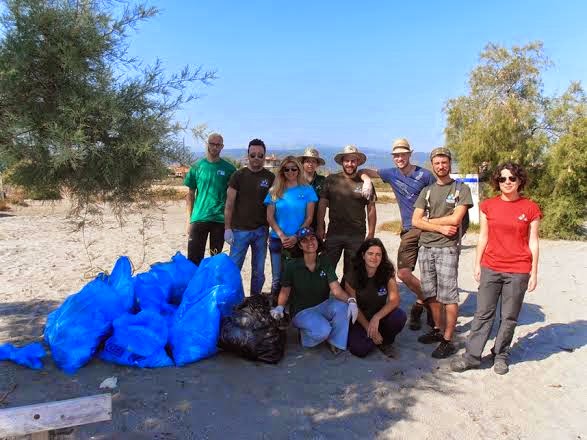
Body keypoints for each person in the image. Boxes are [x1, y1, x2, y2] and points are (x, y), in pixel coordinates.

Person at [451, 162, 541, 375]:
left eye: (512, 178)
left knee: (509, 316)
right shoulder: (488, 205)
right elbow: (483, 236)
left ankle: (500, 354)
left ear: (520, 181)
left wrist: (534, 272)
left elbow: (534, 242)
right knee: (483, 313)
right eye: (502, 179)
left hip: (519, 269)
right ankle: (472, 356)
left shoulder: (531, 208)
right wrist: (477, 263)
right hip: (491, 266)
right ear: (497, 182)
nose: (507, 182)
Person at [358, 138, 436, 331]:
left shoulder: (425, 175)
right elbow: (363, 171)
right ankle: (429, 303)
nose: (399, 158)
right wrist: (367, 181)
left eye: (403, 154)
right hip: (409, 230)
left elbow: (439, 196)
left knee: (431, 276)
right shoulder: (391, 174)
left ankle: (421, 308)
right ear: (393, 158)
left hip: (429, 229)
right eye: (396, 155)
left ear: (410, 154)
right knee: (403, 273)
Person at [412, 147, 473, 359]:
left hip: (447, 248)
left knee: (449, 295)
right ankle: (437, 329)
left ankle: (448, 339)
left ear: (450, 163)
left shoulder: (460, 189)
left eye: (444, 162)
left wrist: (427, 222)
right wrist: (438, 226)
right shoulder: (426, 191)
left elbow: (456, 219)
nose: (441, 166)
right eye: (437, 163)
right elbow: (415, 221)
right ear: (432, 165)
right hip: (426, 246)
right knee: (431, 293)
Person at [269, 227, 359, 355]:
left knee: (344, 307)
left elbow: (336, 289)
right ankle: (305, 336)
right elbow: (285, 290)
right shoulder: (292, 265)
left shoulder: (325, 261)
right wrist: (280, 307)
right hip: (302, 311)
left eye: (312, 238)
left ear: (317, 241)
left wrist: (351, 300)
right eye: (304, 240)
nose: (310, 242)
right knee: (323, 331)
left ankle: (335, 342)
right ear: (299, 245)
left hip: (323, 305)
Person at [224, 139, 275, 296]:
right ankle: (230, 299)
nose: (256, 158)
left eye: (260, 155)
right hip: (239, 231)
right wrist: (227, 228)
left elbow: (274, 205)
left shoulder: (271, 177)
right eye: (253, 155)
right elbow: (229, 204)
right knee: (233, 269)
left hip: (261, 231)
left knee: (259, 272)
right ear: (248, 155)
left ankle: (254, 300)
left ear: (264, 156)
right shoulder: (238, 176)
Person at [317, 144, 376, 277]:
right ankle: (322, 296)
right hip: (334, 233)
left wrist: (371, 233)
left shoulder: (365, 184)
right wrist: (320, 227)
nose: (350, 164)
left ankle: (348, 297)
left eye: (353, 161)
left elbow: (371, 208)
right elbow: (322, 204)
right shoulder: (331, 180)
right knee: (326, 268)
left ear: (358, 162)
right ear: (342, 162)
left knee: (352, 272)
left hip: (357, 235)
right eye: (347, 161)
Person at [344, 238, 407, 358]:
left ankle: (385, 341)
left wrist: (377, 317)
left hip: (379, 316)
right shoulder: (352, 274)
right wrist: (369, 327)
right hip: (359, 318)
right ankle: (374, 337)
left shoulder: (387, 271)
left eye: (378, 254)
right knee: (360, 349)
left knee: (399, 317)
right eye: (370, 253)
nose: (374, 258)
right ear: (363, 255)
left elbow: (395, 300)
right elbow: (354, 306)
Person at [264, 156, 318, 296]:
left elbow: (309, 217)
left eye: (293, 168)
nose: (290, 172)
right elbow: (270, 217)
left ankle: (294, 309)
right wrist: (281, 235)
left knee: (296, 277)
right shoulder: (274, 191)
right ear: (282, 171)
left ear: (299, 170)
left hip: (299, 241)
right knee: (277, 278)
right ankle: (276, 309)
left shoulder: (307, 190)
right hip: (277, 239)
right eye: (286, 169)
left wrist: (296, 236)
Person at [184, 132, 236, 265]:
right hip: (199, 218)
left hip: (219, 220)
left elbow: (233, 197)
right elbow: (190, 194)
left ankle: (211, 286)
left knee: (215, 261)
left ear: (222, 147)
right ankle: (194, 285)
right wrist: (189, 220)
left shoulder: (229, 169)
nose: (215, 147)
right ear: (207, 145)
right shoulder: (197, 167)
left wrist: (230, 225)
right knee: (194, 260)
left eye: (218, 144)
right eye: (212, 144)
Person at [297, 147, 327, 231]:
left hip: (317, 224)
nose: (310, 164)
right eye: (307, 161)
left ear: (317, 164)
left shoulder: (322, 180)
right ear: (302, 163)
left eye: (313, 161)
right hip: (297, 223)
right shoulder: (295, 180)